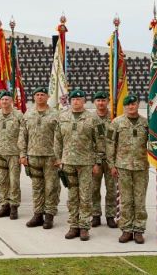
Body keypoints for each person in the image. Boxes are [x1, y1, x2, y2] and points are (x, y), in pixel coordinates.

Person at [54, 88, 105, 241]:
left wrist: (97, 162)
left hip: (86, 163)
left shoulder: (93, 118)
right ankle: (73, 225)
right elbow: (57, 140)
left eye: (79, 99)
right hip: (68, 162)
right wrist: (58, 159)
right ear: (70, 101)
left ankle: (84, 227)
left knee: (85, 196)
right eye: (74, 99)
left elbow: (100, 142)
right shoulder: (62, 117)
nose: (76, 101)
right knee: (72, 196)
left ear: (84, 101)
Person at [109, 95, 149, 244]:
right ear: (124, 107)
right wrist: (112, 165)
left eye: (133, 104)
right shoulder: (116, 123)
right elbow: (110, 144)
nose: (131, 107)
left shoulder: (146, 123)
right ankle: (126, 229)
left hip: (141, 166)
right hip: (123, 167)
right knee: (126, 199)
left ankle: (138, 230)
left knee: (139, 199)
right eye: (128, 105)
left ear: (138, 105)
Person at [18, 86, 60, 229]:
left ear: (47, 97)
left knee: (51, 187)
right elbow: (22, 135)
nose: (40, 97)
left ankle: (49, 215)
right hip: (33, 156)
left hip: (51, 157)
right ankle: (37, 214)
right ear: (34, 97)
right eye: (37, 95)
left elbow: (60, 137)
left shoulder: (56, 114)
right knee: (37, 187)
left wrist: (59, 156)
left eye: (43, 94)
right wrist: (23, 154)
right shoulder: (28, 114)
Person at [0, 90, 24, 219]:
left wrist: (22, 153)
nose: (4, 101)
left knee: (14, 181)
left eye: (7, 99)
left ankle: (14, 206)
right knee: (2, 181)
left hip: (14, 154)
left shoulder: (18, 115)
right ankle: (5, 205)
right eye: (2, 99)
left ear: (12, 101)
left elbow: (23, 135)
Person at [90, 90, 117, 228]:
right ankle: (95, 215)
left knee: (111, 189)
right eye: (98, 100)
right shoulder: (89, 118)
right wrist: (93, 161)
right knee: (94, 189)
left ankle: (110, 216)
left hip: (112, 159)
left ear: (107, 101)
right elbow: (87, 141)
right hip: (96, 160)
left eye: (103, 100)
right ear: (94, 102)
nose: (101, 103)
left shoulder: (114, 117)